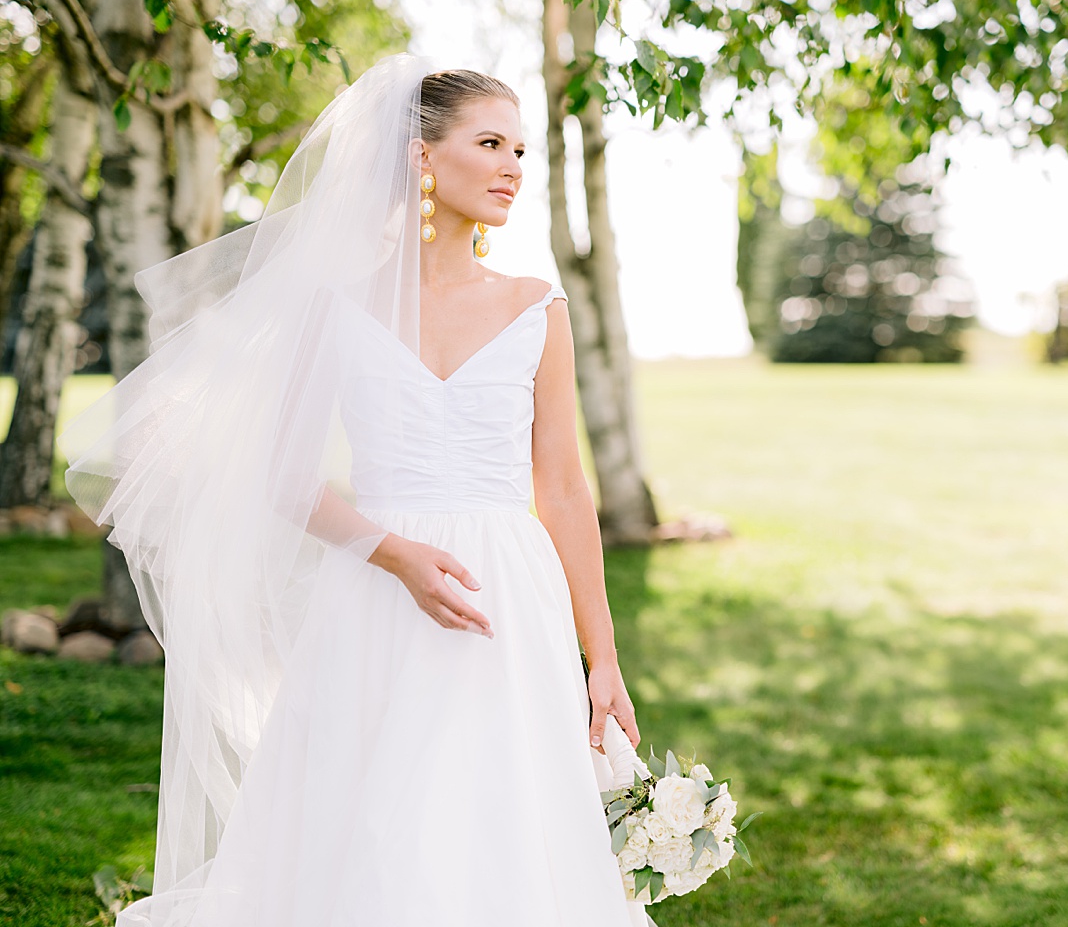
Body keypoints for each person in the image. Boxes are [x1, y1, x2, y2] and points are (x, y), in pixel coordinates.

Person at [58, 54, 657, 926]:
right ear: (421, 158)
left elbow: (563, 489)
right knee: (371, 820)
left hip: (507, 595)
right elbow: (283, 478)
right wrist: (394, 552)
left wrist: (602, 660)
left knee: (504, 818)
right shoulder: (337, 304)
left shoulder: (538, 306)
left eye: (521, 151)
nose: (513, 169)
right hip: (376, 590)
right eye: (490, 144)